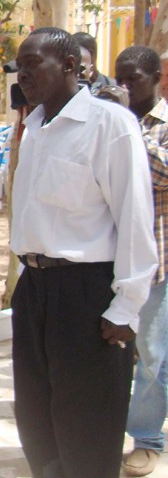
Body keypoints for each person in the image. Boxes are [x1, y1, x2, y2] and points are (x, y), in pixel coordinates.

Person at [10, 28, 158, 478]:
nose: (24, 74)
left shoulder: (109, 124)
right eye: (21, 65)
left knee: (87, 429)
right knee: (38, 421)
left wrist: (126, 307)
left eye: (34, 64)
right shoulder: (33, 127)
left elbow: (134, 214)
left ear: (72, 67)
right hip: (34, 290)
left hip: (86, 294)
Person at [113, 46, 168, 477]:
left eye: (133, 79)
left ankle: (148, 439)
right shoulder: (110, 121)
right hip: (109, 260)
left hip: (157, 263)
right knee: (113, 351)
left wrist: (127, 125)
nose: (124, 87)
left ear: (156, 79)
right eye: (120, 78)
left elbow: (163, 173)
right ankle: (106, 430)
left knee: (151, 354)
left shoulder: (160, 127)